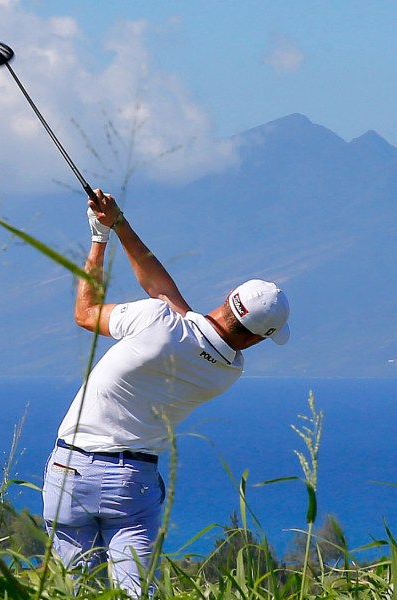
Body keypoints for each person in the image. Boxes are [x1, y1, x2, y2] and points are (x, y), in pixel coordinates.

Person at [42, 189, 290, 595]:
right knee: (136, 592)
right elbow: (167, 297)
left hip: (70, 469)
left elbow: (87, 313)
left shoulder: (157, 320)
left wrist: (102, 237)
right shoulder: (227, 371)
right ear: (257, 339)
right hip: (131, 483)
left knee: (76, 590)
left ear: (228, 298)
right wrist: (119, 224)